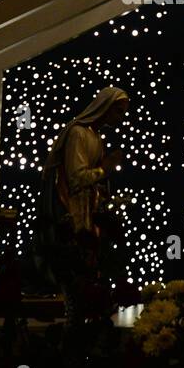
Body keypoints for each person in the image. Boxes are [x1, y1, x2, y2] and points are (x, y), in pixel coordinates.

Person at [33, 87, 130, 307]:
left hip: (88, 208)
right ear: (104, 107)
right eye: (118, 111)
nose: (121, 117)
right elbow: (76, 178)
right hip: (71, 207)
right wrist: (104, 170)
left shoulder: (95, 135)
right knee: (72, 267)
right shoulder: (78, 132)